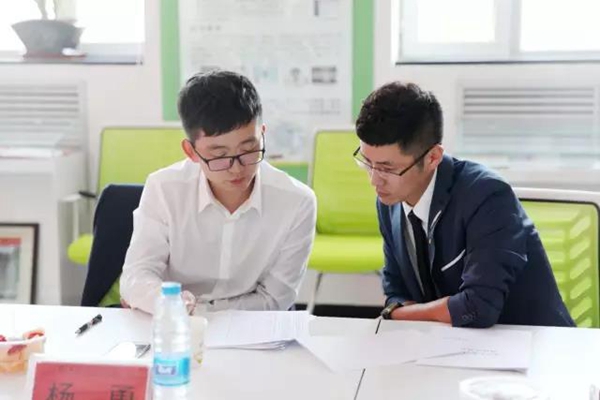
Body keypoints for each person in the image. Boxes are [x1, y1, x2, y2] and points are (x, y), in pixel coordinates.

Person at [354, 81, 574, 328]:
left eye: (387, 168)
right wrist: (404, 310)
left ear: (432, 157)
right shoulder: (390, 199)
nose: (374, 180)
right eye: (367, 162)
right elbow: (395, 290)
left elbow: (478, 307)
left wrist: (395, 316)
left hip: (529, 341)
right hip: (449, 341)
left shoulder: (487, 196)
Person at [120, 70, 317, 314]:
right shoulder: (164, 189)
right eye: (219, 155)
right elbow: (136, 277)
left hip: (246, 329)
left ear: (262, 134)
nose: (236, 168)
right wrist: (163, 302)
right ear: (191, 152)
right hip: (177, 324)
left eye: (249, 149)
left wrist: (194, 310)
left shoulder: (297, 202)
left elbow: (275, 300)